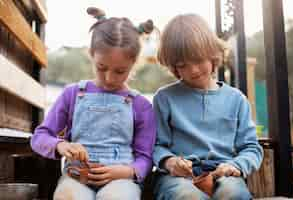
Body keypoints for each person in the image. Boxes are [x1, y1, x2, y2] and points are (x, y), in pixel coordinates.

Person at [30, 7, 156, 200]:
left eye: (120, 71)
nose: (109, 78)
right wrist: (60, 146)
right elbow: (40, 137)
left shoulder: (140, 105)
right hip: (76, 178)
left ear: (134, 63)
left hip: (120, 181)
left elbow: (145, 157)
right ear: (91, 54)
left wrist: (128, 172)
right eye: (101, 67)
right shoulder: (72, 94)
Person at [152, 13, 263, 200]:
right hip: (177, 177)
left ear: (213, 54)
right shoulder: (164, 98)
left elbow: (251, 147)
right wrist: (170, 162)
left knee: (233, 194)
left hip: (224, 172)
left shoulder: (236, 99)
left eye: (198, 60)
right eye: (183, 65)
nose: (193, 70)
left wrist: (235, 166)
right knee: (186, 196)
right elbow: (155, 145)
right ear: (173, 67)